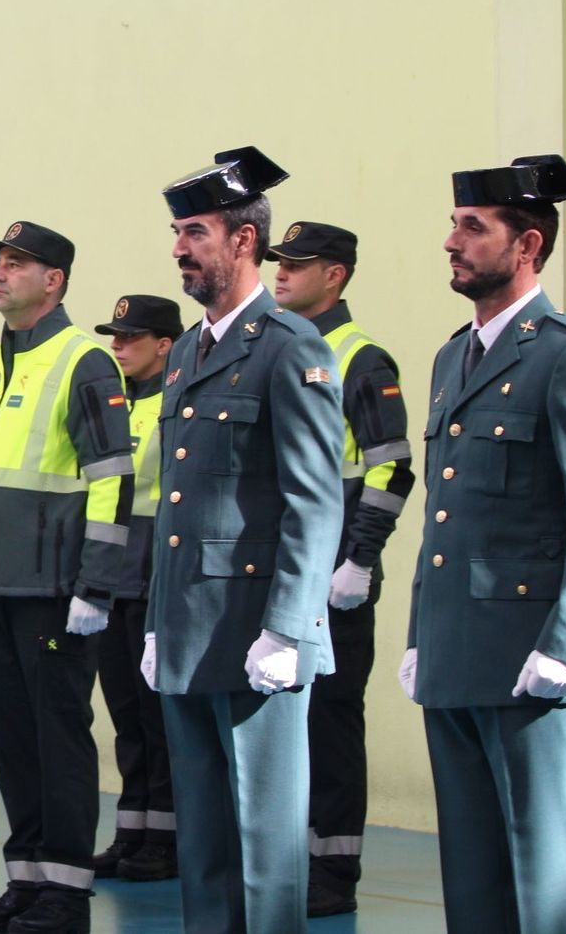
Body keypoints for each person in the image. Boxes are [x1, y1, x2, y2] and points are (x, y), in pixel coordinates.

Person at [148, 146, 344, 934]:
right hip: (191, 632)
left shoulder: (290, 345)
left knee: (264, 849)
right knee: (204, 845)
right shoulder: (190, 351)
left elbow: (314, 501)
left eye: (194, 231)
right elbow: (179, 507)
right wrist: (161, 622)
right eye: (175, 232)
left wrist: (288, 628)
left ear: (242, 241)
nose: (178, 249)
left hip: (260, 634)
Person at [402, 154, 566, 934]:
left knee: (545, 879)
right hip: (456, 655)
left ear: (528, 245)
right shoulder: (452, 357)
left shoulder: (565, 353)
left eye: (473, 227)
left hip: (530, 660)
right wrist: (420, 633)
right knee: (472, 875)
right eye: (454, 224)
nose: (452, 240)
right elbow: (446, 511)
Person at [0, 221, 135, 934]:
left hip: (54, 592)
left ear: (53, 280)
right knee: (9, 735)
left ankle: (66, 888)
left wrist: (96, 584)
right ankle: (25, 877)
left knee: (58, 735)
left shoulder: (84, 360)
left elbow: (111, 480)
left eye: (16, 263)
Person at [265, 221, 417, 916]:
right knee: (284, 725)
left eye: (298, 266)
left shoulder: (359, 356)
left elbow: (391, 463)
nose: (282, 275)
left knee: (330, 720)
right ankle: (291, 856)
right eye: (280, 264)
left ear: (336, 275)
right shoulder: (277, 347)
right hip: (283, 572)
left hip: (335, 578)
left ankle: (335, 870)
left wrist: (361, 556)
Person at [89, 294, 182, 882]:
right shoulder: (117, 405)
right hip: (116, 576)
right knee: (125, 714)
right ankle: (133, 827)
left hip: (155, 579)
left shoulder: (180, 404)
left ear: (165, 344)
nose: (117, 347)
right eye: (114, 338)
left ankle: (167, 838)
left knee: (157, 716)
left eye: (130, 338)